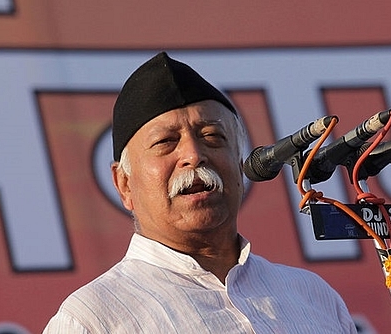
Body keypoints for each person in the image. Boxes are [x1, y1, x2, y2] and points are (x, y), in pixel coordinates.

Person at [43, 52, 357, 333]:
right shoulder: (93, 320)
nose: (194, 155)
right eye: (165, 142)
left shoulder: (313, 297)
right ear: (125, 184)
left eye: (212, 136)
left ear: (238, 162)